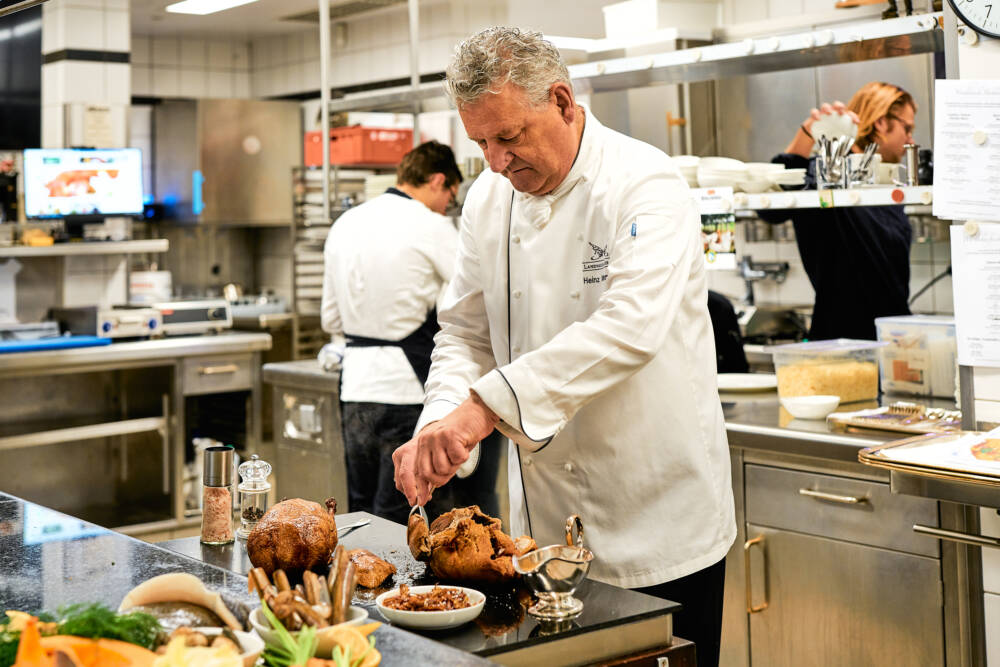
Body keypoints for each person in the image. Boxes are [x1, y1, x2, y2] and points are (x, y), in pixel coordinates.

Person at [392, 27, 735, 667]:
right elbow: (466, 331)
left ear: (561, 100)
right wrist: (442, 421)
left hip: (656, 518)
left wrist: (484, 409)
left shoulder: (645, 184)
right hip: (544, 533)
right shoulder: (492, 200)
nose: (494, 162)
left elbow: (628, 326)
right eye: (480, 143)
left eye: (509, 136)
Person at [321, 140, 467, 524]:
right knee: (411, 515)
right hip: (409, 388)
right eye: (450, 195)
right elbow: (472, 296)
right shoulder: (432, 225)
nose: (446, 205)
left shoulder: (344, 223)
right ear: (438, 181)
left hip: (355, 388)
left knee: (361, 513)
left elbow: (331, 318)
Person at [762, 82, 916, 340]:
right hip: (840, 342)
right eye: (907, 128)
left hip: (893, 338)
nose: (910, 139)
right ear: (881, 122)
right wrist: (807, 133)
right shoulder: (827, 177)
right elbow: (771, 208)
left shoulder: (885, 183)